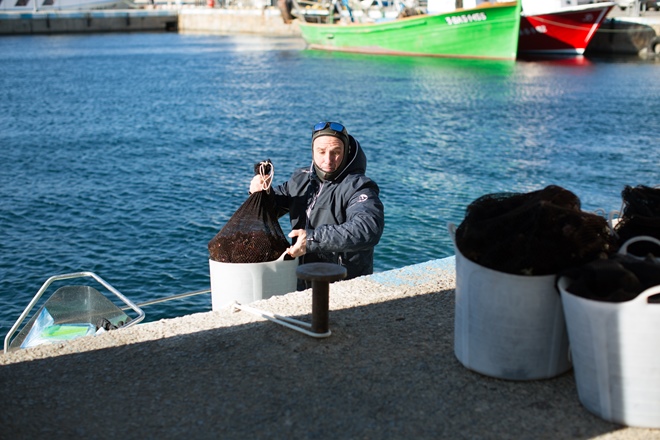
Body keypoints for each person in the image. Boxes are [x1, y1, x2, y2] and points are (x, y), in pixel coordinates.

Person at [250, 121, 385, 285]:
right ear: (312, 151)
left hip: (343, 284)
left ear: (346, 152)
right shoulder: (300, 179)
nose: (328, 160)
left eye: (336, 152)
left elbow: (367, 229)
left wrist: (312, 239)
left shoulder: (359, 187)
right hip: (301, 280)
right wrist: (260, 193)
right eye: (321, 152)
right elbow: (271, 209)